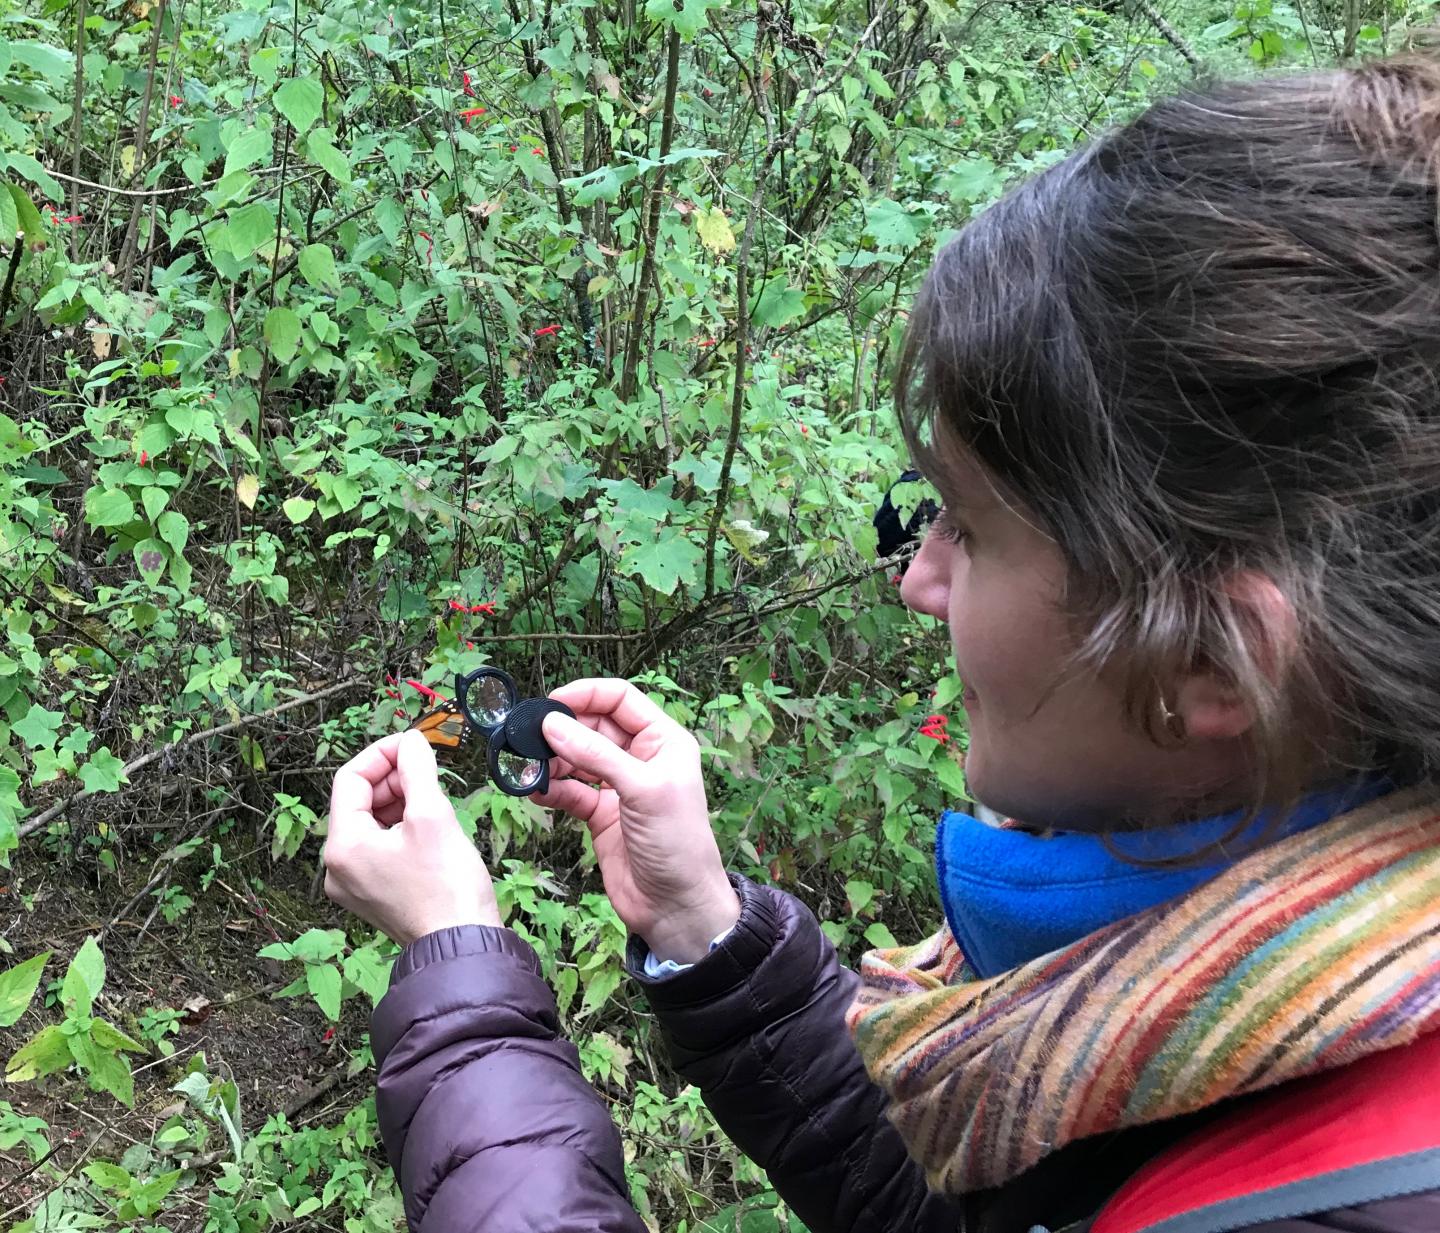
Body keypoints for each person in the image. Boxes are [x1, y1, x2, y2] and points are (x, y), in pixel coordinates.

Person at [322, 52, 1440, 1233]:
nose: (920, 579)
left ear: (1216, 662)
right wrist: (705, 928)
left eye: (967, 522)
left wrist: (463, 982)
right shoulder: (1234, 1024)